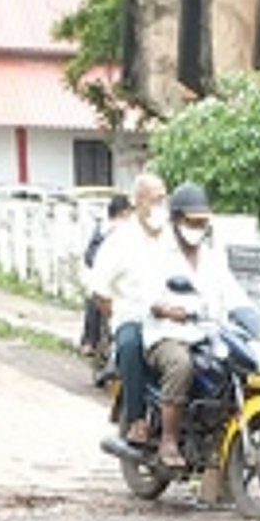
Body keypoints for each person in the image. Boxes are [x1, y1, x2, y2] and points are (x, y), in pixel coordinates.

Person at [142, 181, 258, 470]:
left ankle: (220, 445)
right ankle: (168, 440)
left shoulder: (212, 254)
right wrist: (166, 309)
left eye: (202, 222)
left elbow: (232, 291)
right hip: (166, 334)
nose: (197, 227)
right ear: (177, 219)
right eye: (191, 221)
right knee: (182, 365)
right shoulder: (158, 251)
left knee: (236, 370)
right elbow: (145, 293)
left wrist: (258, 319)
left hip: (207, 333)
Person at [88, 172, 172, 446]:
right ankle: (137, 420)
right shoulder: (120, 241)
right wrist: (118, 316)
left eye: (164, 199)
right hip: (134, 317)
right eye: (155, 199)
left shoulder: (173, 237)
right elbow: (100, 290)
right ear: (138, 202)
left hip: (173, 319)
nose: (161, 205)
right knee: (131, 345)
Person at [79, 193, 130, 358]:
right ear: (122, 213)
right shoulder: (103, 230)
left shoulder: (135, 231)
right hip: (107, 278)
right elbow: (90, 256)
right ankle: (89, 341)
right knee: (96, 298)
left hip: (126, 280)